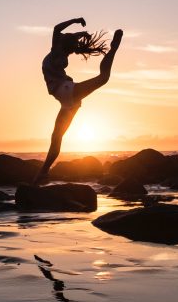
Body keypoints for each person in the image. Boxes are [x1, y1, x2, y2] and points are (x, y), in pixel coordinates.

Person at [36, 17, 123, 184]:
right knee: (57, 136)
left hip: (65, 91)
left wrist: (76, 22)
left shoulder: (56, 50)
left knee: (103, 78)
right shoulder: (61, 51)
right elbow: (62, 34)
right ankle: (42, 174)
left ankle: (113, 49)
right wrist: (80, 31)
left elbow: (56, 28)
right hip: (67, 100)